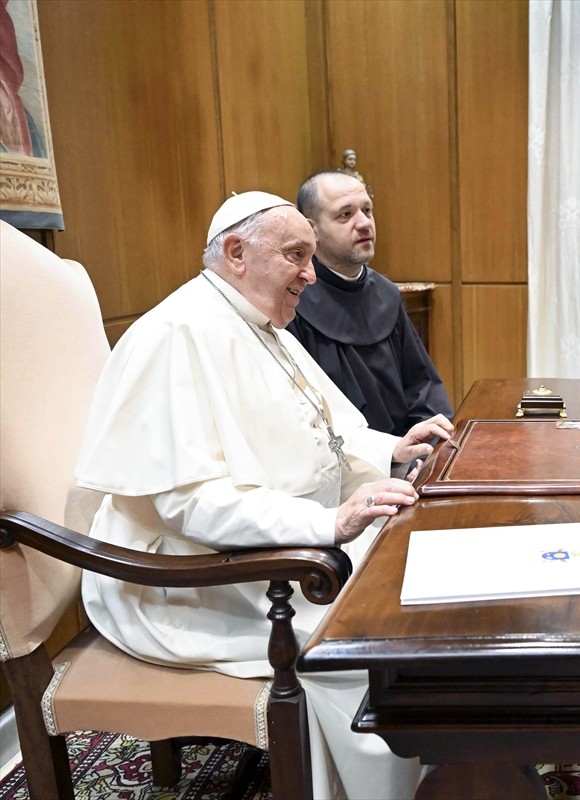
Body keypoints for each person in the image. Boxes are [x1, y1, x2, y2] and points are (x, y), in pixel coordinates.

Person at [75, 191, 454, 800]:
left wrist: (392, 449)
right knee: (360, 642)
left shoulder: (259, 320)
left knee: (418, 582)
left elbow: (329, 428)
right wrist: (327, 523)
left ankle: (440, 765)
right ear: (236, 253)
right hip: (183, 578)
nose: (310, 272)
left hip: (272, 547)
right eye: (296, 255)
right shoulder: (176, 333)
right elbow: (187, 506)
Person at [288, 170, 452, 439]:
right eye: (345, 214)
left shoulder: (386, 294)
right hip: (343, 467)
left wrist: (428, 449)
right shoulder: (294, 302)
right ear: (311, 229)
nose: (364, 223)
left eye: (367, 210)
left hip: (407, 458)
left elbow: (423, 390)